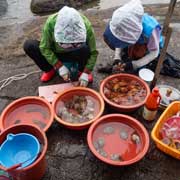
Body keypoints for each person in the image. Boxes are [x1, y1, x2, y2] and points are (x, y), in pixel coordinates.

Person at [24, 6, 98, 87]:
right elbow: (44, 48)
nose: (69, 46)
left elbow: (93, 52)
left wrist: (86, 72)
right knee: (30, 45)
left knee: (85, 49)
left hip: (76, 52)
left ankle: (82, 71)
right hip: (56, 52)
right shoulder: (51, 23)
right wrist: (59, 65)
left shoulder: (86, 25)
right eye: (65, 44)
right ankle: (49, 70)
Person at [99, 0, 164, 74]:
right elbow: (119, 38)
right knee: (125, 57)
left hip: (148, 45)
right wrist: (117, 57)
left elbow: (154, 53)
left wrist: (134, 64)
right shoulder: (120, 21)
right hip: (136, 41)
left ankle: (137, 62)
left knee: (137, 61)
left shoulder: (151, 30)